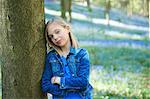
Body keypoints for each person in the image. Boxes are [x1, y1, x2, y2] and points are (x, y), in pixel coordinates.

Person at [41, 17, 93, 99]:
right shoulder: (51, 57)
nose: (55, 37)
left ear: (67, 29)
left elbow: (83, 83)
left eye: (57, 32)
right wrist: (65, 91)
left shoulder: (81, 54)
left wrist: (60, 81)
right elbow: (45, 85)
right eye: (51, 36)